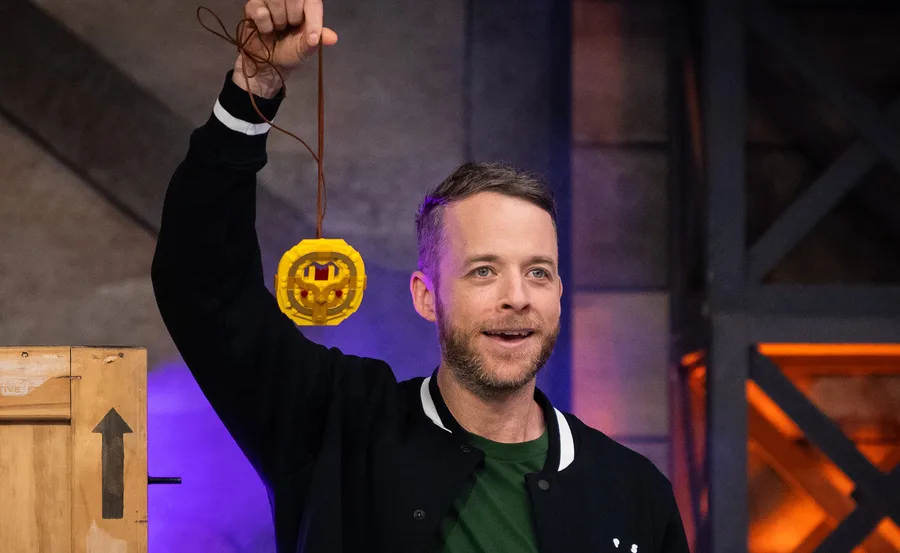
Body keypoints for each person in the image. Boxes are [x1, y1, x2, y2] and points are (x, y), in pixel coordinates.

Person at [151, 1, 690, 552]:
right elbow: (200, 283)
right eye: (484, 271)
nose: (517, 298)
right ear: (426, 296)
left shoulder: (633, 493)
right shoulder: (335, 425)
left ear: (559, 292)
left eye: (538, 272)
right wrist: (252, 90)